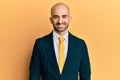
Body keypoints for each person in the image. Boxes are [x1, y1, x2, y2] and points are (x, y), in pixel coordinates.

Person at [29, 2, 91, 80]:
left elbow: (85, 76)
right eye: (56, 17)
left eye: (64, 16)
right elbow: (34, 74)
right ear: (51, 20)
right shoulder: (40, 44)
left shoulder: (80, 45)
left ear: (69, 19)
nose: (60, 21)